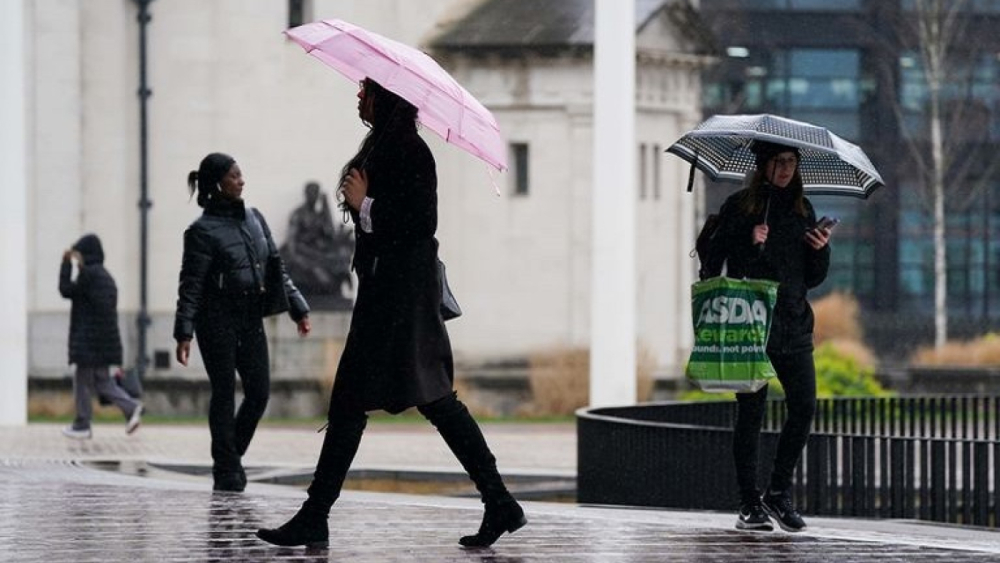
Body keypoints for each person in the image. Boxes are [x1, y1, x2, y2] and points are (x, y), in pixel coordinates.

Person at [256, 78, 526, 549]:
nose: (359, 97)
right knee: (366, 402)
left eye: (366, 91)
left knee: (425, 399)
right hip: (385, 296)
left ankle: (498, 500)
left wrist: (365, 205)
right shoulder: (383, 146)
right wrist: (361, 204)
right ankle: (317, 514)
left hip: (402, 299)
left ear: (386, 99)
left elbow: (421, 223)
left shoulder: (411, 152)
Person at [700, 140, 832, 533]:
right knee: (751, 413)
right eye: (779, 162)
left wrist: (820, 250)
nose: (786, 169)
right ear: (763, 165)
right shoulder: (740, 206)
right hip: (751, 325)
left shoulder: (802, 209)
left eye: (791, 161)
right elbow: (712, 262)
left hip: (793, 322)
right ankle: (749, 503)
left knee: (804, 406)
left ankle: (778, 492)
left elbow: (811, 278)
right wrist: (747, 239)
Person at [174, 152, 311, 492]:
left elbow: (276, 267)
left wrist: (298, 308)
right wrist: (184, 332)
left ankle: (228, 459)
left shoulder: (255, 218)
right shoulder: (201, 231)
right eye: (234, 175)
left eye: (240, 174)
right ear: (218, 184)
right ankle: (227, 470)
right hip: (215, 320)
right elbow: (190, 286)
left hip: (250, 317)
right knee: (223, 392)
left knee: (259, 393)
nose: (241, 180)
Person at [59, 233, 143, 439]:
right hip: (103, 343)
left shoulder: (88, 276)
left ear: (86, 255)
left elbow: (66, 290)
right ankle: (131, 407)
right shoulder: (105, 276)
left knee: (81, 381)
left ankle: (82, 424)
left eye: (79, 257)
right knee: (103, 383)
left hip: (90, 343)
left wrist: (65, 264)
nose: (78, 261)